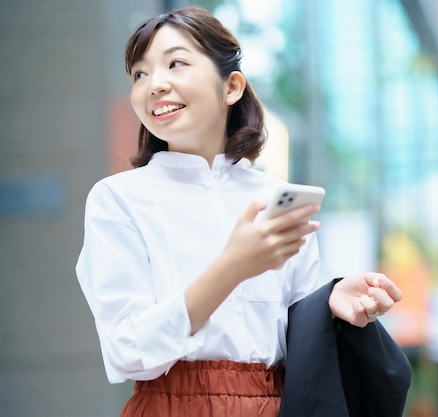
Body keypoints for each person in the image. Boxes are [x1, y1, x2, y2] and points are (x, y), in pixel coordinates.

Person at [76, 6, 411, 417]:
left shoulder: (277, 197)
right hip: (169, 406)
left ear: (231, 86)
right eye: (139, 74)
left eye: (175, 63)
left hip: (276, 405)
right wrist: (233, 266)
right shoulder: (117, 199)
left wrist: (331, 302)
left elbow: (299, 343)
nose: (154, 85)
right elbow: (127, 350)